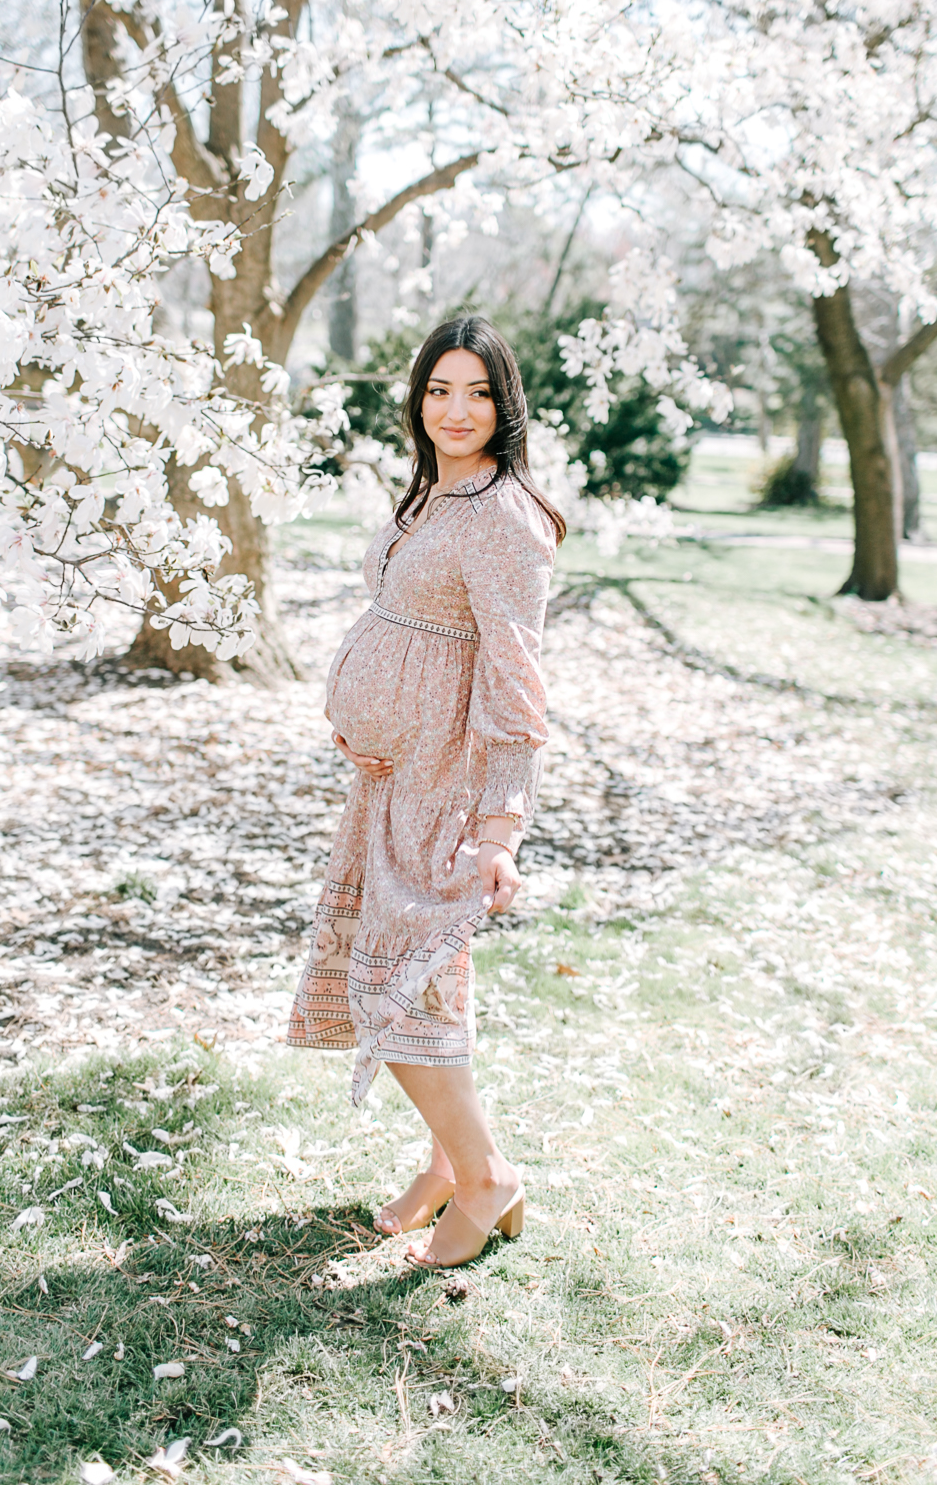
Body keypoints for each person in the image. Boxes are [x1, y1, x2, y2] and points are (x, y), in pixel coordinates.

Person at [285, 315, 564, 1269]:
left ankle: (487, 1175)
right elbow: (405, 625)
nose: (457, 409)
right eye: (440, 390)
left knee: (398, 985)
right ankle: (448, 1164)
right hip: (391, 777)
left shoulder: (503, 519)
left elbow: (516, 679)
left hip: (446, 784)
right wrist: (358, 715)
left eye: (478, 392)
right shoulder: (436, 494)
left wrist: (501, 826)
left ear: (505, 404)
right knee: (418, 982)